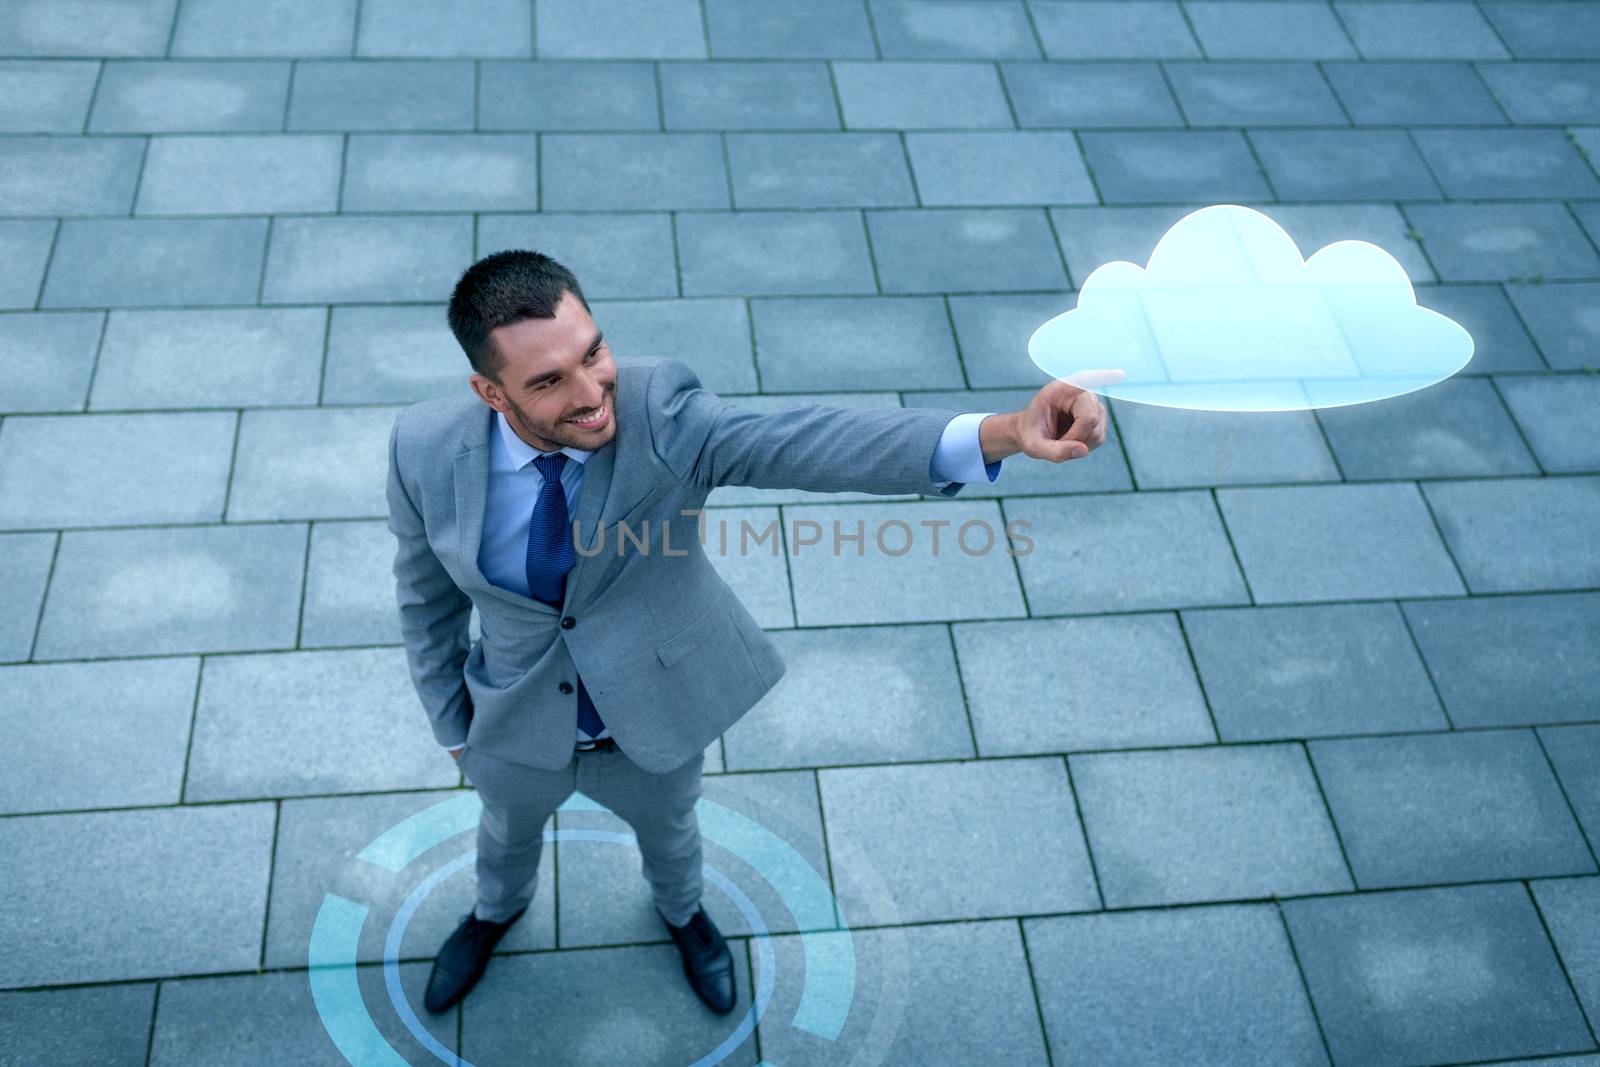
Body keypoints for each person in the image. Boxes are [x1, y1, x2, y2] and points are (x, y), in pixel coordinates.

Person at [385, 249, 1110, 1016]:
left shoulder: (660, 410)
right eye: (547, 381)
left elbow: (805, 440)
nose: (593, 392)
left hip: (653, 715)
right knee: (503, 837)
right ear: (490, 392)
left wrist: (1002, 431)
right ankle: (494, 914)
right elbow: (423, 599)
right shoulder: (423, 449)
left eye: (593, 352)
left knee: (672, 836)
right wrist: (453, 728)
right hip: (511, 721)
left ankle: (684, 914)